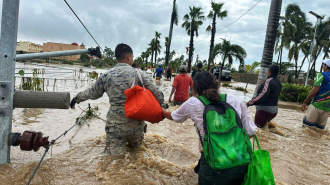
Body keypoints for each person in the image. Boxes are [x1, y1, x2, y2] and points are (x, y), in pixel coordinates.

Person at [162, 71, 257, 185]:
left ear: (195, 88)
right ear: (216, 85)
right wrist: (229, 147)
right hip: (240, 162)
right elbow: (251, 131)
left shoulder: (194, 103)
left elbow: (174, 116)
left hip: (212, 165)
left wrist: (161, 111)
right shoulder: (234, 99)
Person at [69, 43, 164, 156]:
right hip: (136, 126)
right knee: (137, 157)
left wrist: (76, 99)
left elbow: (92, 93)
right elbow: (159, 95)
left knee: (114, 161)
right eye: (132, 57)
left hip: (115, 126)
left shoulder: (106, 76)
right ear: (128, 57)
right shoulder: (139, 74)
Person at [246, 64, 282, 131]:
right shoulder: (279, 82)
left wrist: (248, 103)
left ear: (269, 71)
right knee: (264, 130)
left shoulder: (268, 81)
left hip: (264, 111)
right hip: (274, 111)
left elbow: (262, 95)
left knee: (256, 131)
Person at [301, 59, 330, 130]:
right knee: (319, 132)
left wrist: (305, 102)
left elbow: (314, 91)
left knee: (306, 128)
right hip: (327, 109)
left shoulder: (321, 75)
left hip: (316, 105)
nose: (323, 66)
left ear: (326, 66)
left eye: (324, 64)